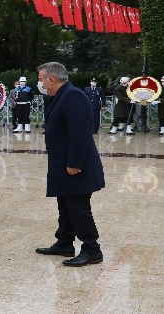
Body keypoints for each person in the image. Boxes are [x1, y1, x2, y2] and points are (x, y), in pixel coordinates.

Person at [34, 62, 105, 267]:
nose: (40, 83)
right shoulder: (59, 95)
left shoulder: (73, 96)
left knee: (78, 207)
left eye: (41, 79)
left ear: (51, 79)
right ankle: (64, 242)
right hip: (62, 163)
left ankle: (92, 249)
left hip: (76, 165)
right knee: (65, 204)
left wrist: (75, 162)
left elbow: (80, 132)